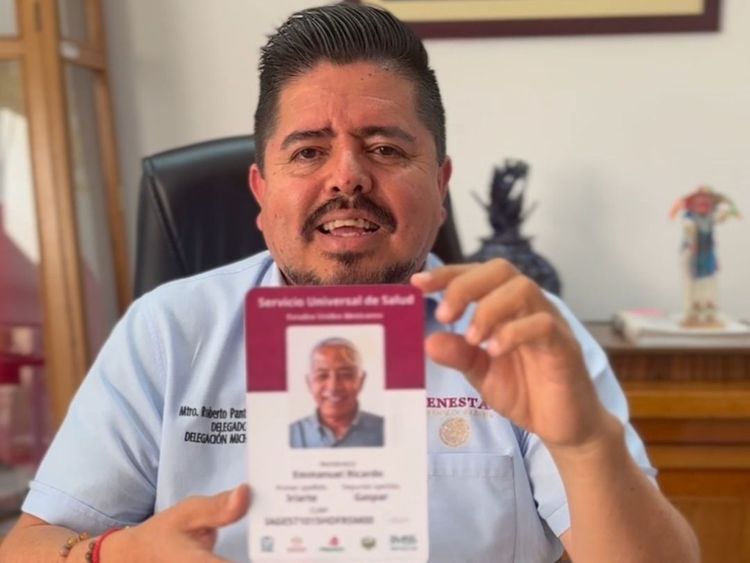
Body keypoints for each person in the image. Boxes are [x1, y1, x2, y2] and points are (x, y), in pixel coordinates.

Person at [0, 3, 699, 562]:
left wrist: (586, 445)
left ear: (441, 186)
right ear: (261, 192)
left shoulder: (522, 333)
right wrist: (114, 554)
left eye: (385, 148)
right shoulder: (167, 331)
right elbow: (28, 545)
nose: (347, 177)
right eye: (309, 151)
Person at [289, 337, 384, 448]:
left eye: (345, 375)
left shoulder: (384, 430)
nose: (333, 387)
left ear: (361, 381)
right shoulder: (292, 434)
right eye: (322, 376)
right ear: (309, 383)